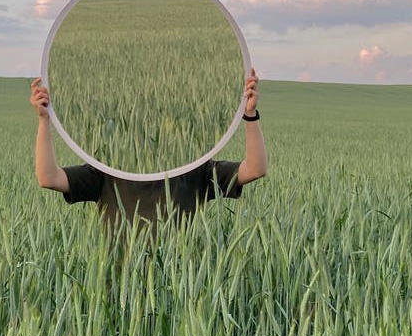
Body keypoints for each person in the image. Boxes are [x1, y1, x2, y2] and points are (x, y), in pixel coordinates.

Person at [31, 68, 267, 237]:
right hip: (118, 297)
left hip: (180, 296)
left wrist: (249, 115)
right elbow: (48, 178)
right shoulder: (107, 172)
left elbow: (255, 169)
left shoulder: (195, 170)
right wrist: (44, 121)